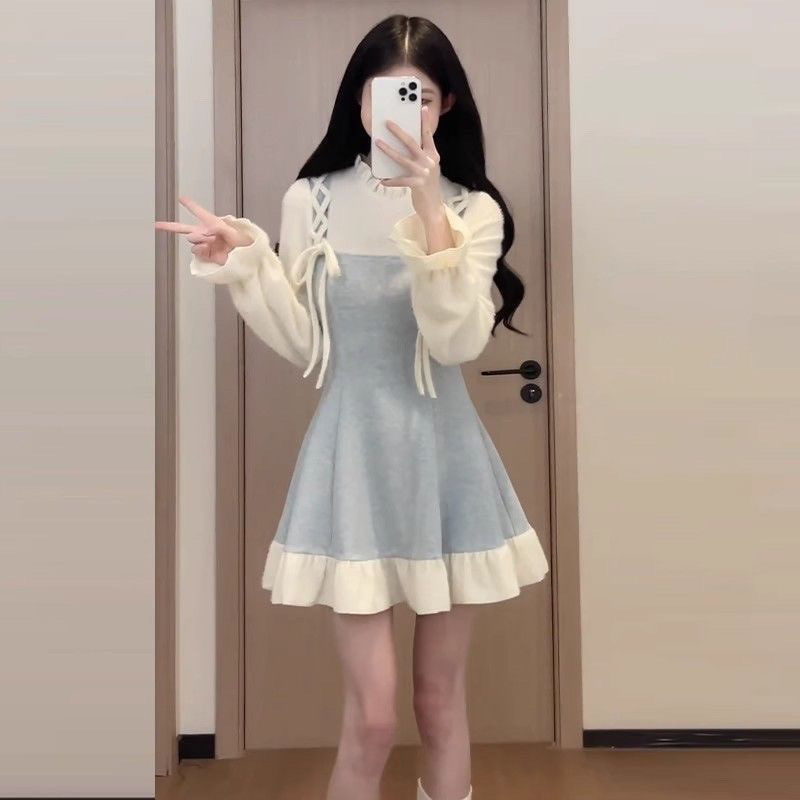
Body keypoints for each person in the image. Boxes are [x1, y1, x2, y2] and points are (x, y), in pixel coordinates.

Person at [156, 13, 549, 800]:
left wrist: (430, 211)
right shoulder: (311, 200)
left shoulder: (474, 211)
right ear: (359, 101)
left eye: (421, 97)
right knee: (370, 718)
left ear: (447, 105)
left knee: (438, 703)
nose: (404, 111)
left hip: (447, 463)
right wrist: (246, 263)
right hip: (353, 459)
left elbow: (455, 342)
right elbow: (306, 340)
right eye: (388, 94)